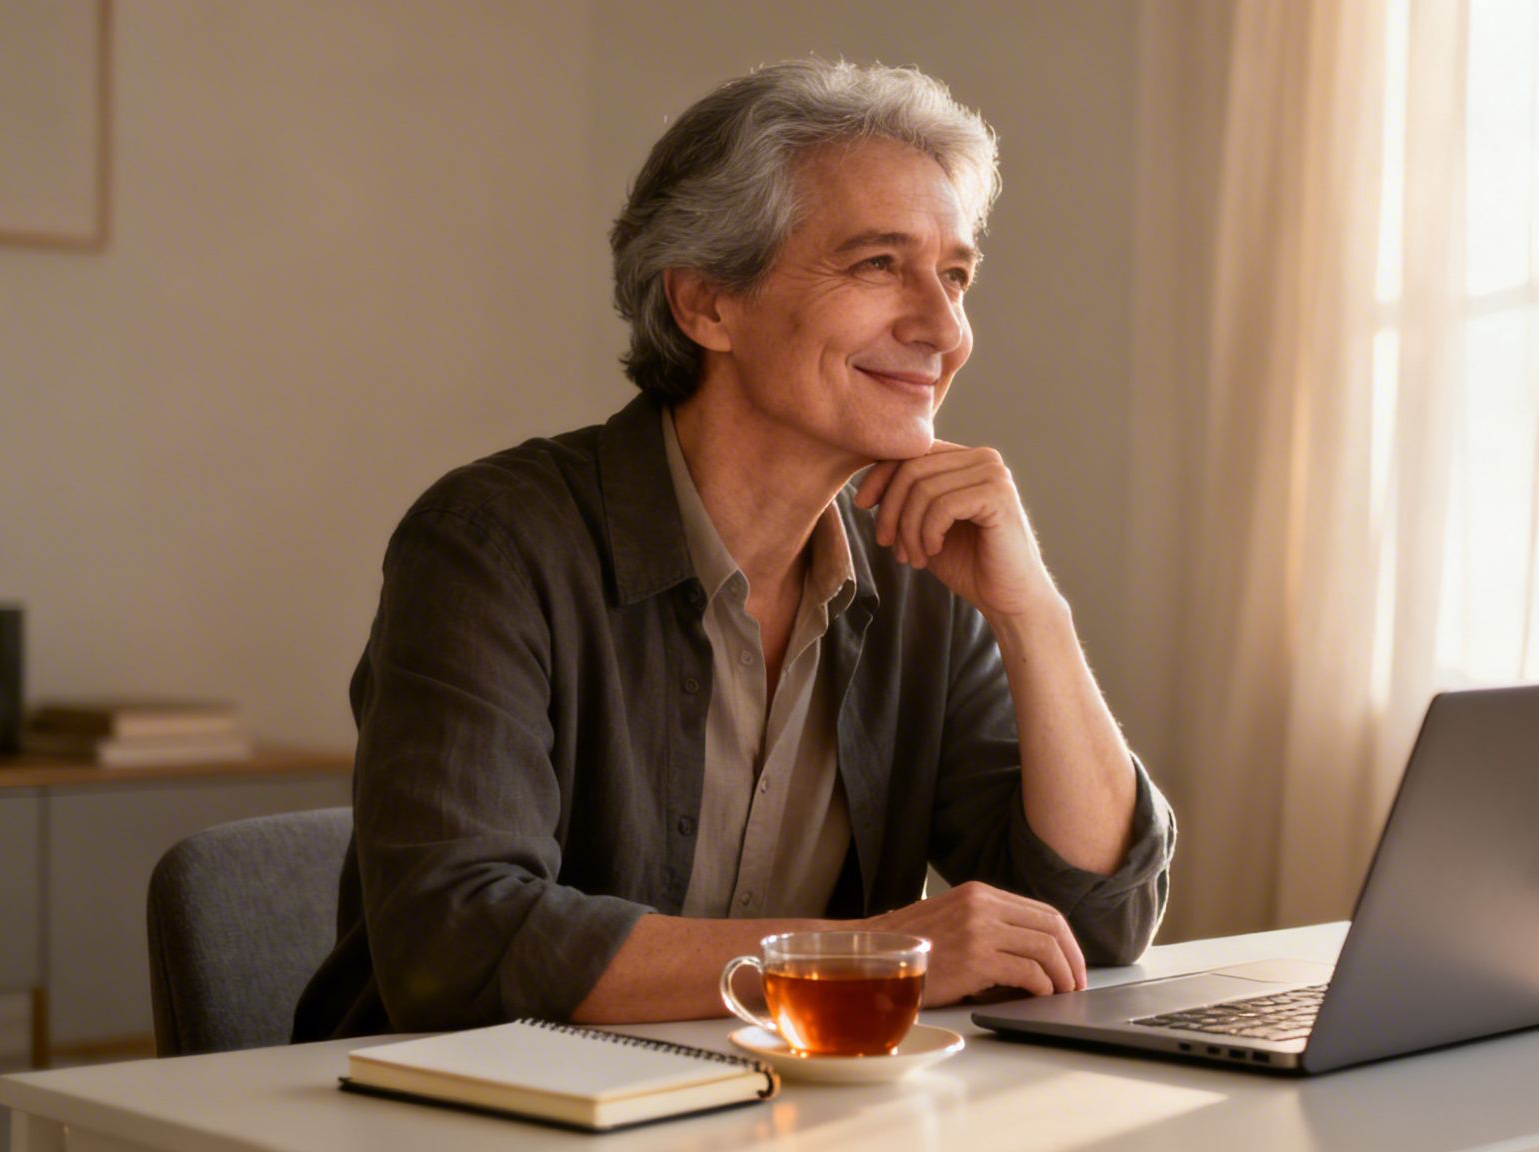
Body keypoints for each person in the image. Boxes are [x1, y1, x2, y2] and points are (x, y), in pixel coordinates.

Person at [293, 59, 1174, 1039]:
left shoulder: (920, 573)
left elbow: (1093, 922)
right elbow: (458, 946)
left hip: (770, 1116)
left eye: (954, 274)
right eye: (878, 264)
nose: (945, 326)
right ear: (705, 304)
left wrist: (1031, 613)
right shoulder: (489, 548)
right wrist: (868, 956)